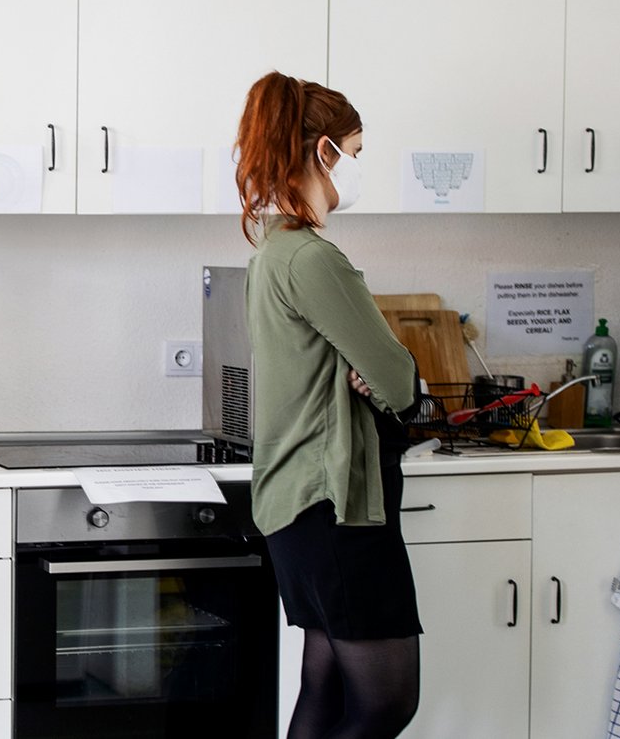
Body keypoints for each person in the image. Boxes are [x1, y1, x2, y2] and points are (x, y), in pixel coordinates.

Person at [233, 71, 422, 739]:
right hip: (336, 507)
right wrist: (381, 373)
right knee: (387, 701)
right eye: (357, 152)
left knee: (326, 689)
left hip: (295, 509)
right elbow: (398, 382)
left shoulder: (272, 254)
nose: (359, 167)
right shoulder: (315, 260)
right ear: (323, 153)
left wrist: (363, 370)